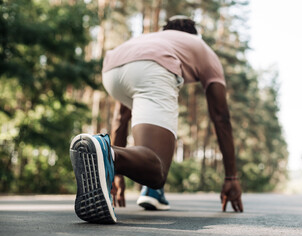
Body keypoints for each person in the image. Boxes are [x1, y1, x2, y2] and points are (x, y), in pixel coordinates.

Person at [69, 16, 243, 224]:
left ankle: (110, 156)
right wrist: (231, 177)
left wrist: (116, 173)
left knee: (144, 153)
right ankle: (107, 152)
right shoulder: (200, 46)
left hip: (112, 71)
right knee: (157, 171)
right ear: (195, 34)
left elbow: (120, 118)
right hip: (152, 67)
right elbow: (220, 116)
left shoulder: (148, 39)